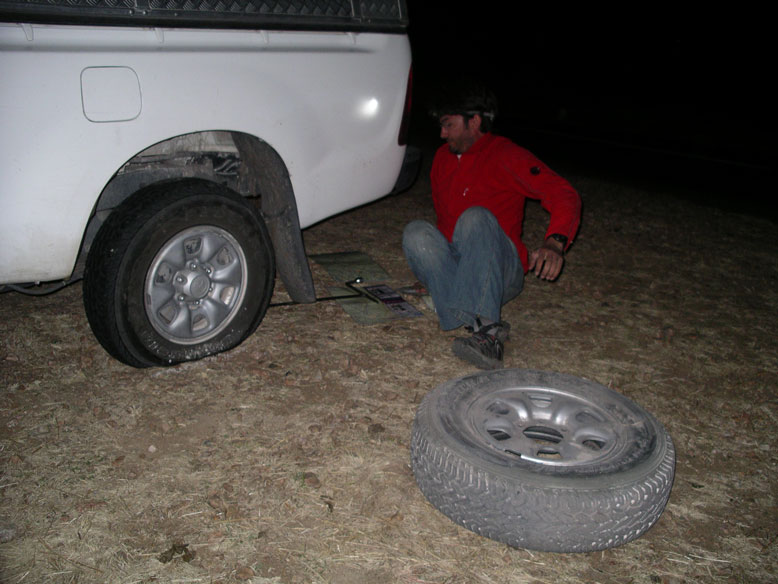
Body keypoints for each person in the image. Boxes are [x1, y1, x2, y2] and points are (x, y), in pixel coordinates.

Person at [402, 81, 581, 369]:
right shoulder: (441, 159)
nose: (441, 133)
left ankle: (487, 333)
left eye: (448, 124)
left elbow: (562, 192)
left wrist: (554, 241)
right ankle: (461, 303)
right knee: (416, 232)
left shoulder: (506, 154)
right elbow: (445, 225)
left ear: (474, 121)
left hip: (501, 270)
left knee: (476, 217)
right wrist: (440, 270)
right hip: (463, 265)